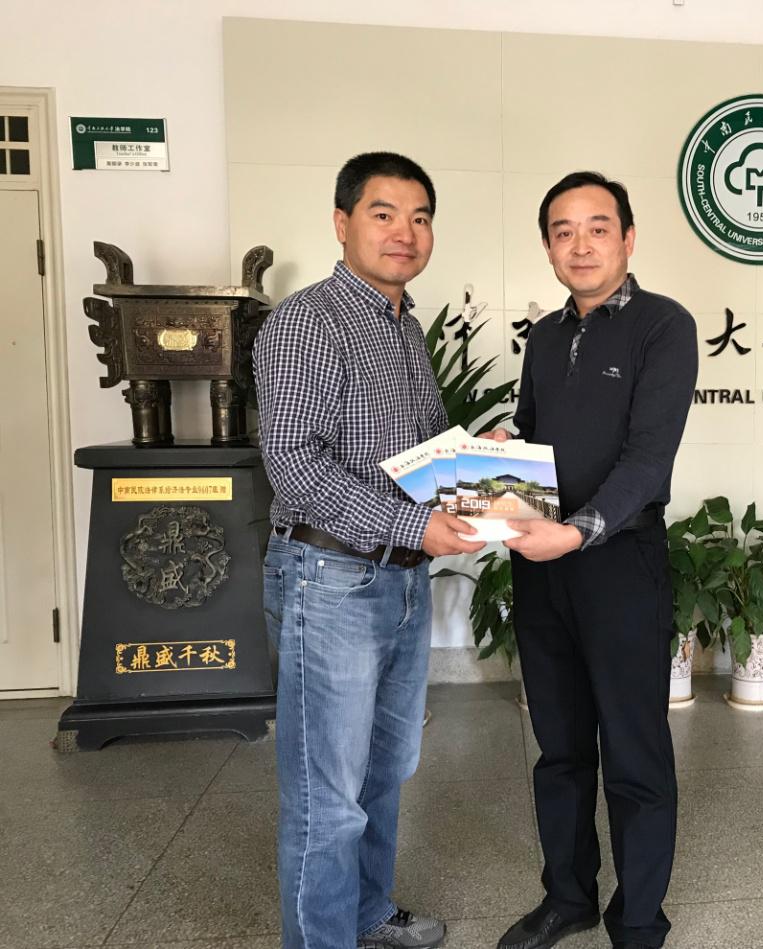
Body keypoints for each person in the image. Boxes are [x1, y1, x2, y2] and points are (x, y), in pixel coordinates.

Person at [254, 151, 483, 949]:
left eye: (420, 217)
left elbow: (421, 454)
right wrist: (415, 528)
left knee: (384, 771)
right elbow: (293, 462)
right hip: (330, 579)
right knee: (327, 794)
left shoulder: (403, 326)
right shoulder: (307, 321)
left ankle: (365, 912)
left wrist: (480, 459)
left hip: (399, 582)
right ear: (341, 222)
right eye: (383, 213)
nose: (404, 232)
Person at [484, 171, 698, 949]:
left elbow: (647, 459)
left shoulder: (663, 326)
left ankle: (638, 919)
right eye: (562, 231)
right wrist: (504, 445)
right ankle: (568, 895)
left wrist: (578, 532)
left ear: (627, 238)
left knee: (633, 750)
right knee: (560, 746)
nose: (580, 244)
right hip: (541, 562)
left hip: (618, 562)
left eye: (597, 227)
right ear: (548, 247)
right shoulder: (545, 336)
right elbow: (534, 429)